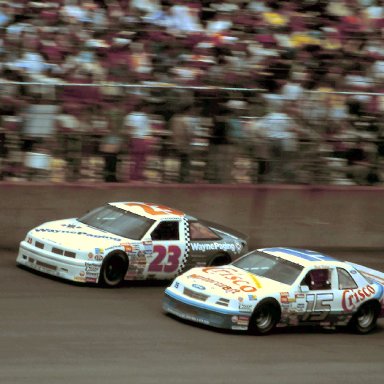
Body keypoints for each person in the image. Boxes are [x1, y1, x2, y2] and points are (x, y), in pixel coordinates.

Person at [124, 102, 152, 182]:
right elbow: (147, 130)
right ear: (142, 108)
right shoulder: (145, 117)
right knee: (141, 159)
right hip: (143, 139)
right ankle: (138, 174)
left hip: (134, 138)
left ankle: (132, 175)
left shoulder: (129, 116)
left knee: (134, 158)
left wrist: (128, 140)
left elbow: (128, 129)